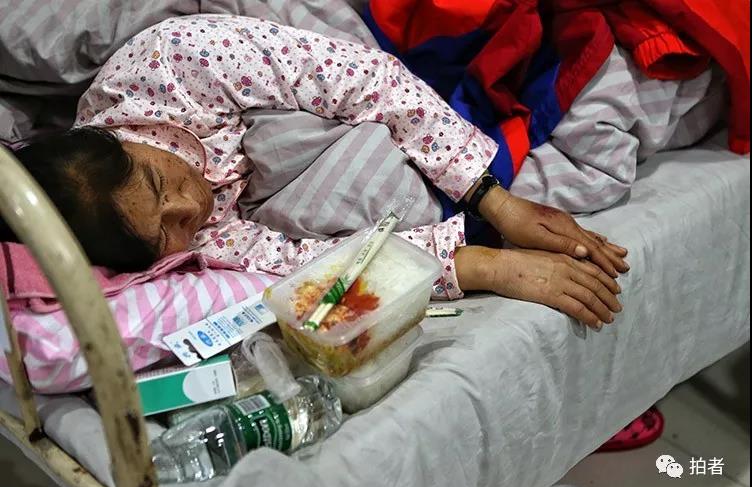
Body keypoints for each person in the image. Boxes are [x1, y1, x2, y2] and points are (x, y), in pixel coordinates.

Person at [3, 14, 628, 329]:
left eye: (159, 183)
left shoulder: (173, 63)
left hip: (350, 49)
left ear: (121, 141)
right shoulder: (190, 246)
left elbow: (367, 78)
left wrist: (493, 199)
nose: (190, 209)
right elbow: (306, 268)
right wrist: (487, 266)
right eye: (165, 231)